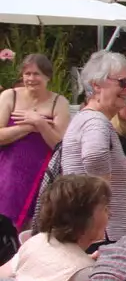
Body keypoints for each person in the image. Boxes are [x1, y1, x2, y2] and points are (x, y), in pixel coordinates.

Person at [60, 51, 126, 242]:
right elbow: (95, 156)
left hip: (98, 231)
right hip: (103, 234)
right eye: (122, 82)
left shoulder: (88, 118)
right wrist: (104, 195)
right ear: (96, 85)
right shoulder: (96, 121)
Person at [0, 174, 110, 281]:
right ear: (84, 217)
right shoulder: (84, 273)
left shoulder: (38, 241)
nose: (109, 214)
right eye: (105, 209)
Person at [0, 51, 70, 228]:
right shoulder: (9, 96)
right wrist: (29, 126)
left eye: (36, 74)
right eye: (27, 74)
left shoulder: (59, 102)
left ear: (47, 77)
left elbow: (59, 145)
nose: (31, 78)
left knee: (35, 225)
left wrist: (40, 123)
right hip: (8, 173)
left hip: (41, 173)